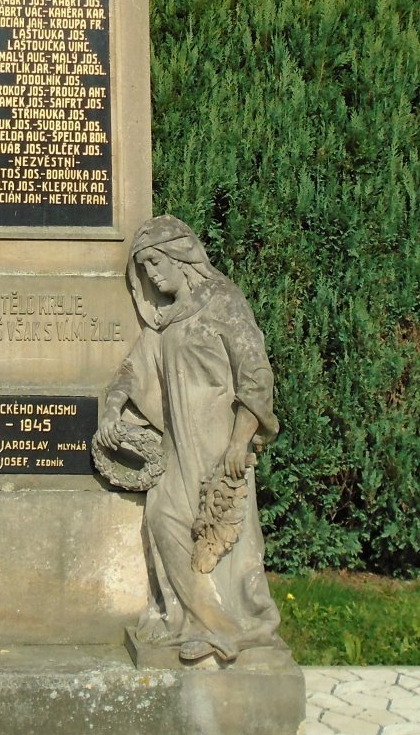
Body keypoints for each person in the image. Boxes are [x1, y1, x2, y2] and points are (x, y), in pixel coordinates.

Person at [93, 215, 286, 666]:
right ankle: (209, 624)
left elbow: (255, 373)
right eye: (145, 270)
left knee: (227, 534)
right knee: (164, 518)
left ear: (183, 256)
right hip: (178, 443)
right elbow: (133, 368)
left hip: (220, 441)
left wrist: (240, 440)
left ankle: (237, 624)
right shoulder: (165, 321)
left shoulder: (224, 302)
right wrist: (112, 406)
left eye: (158, 263)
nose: (154, 276)